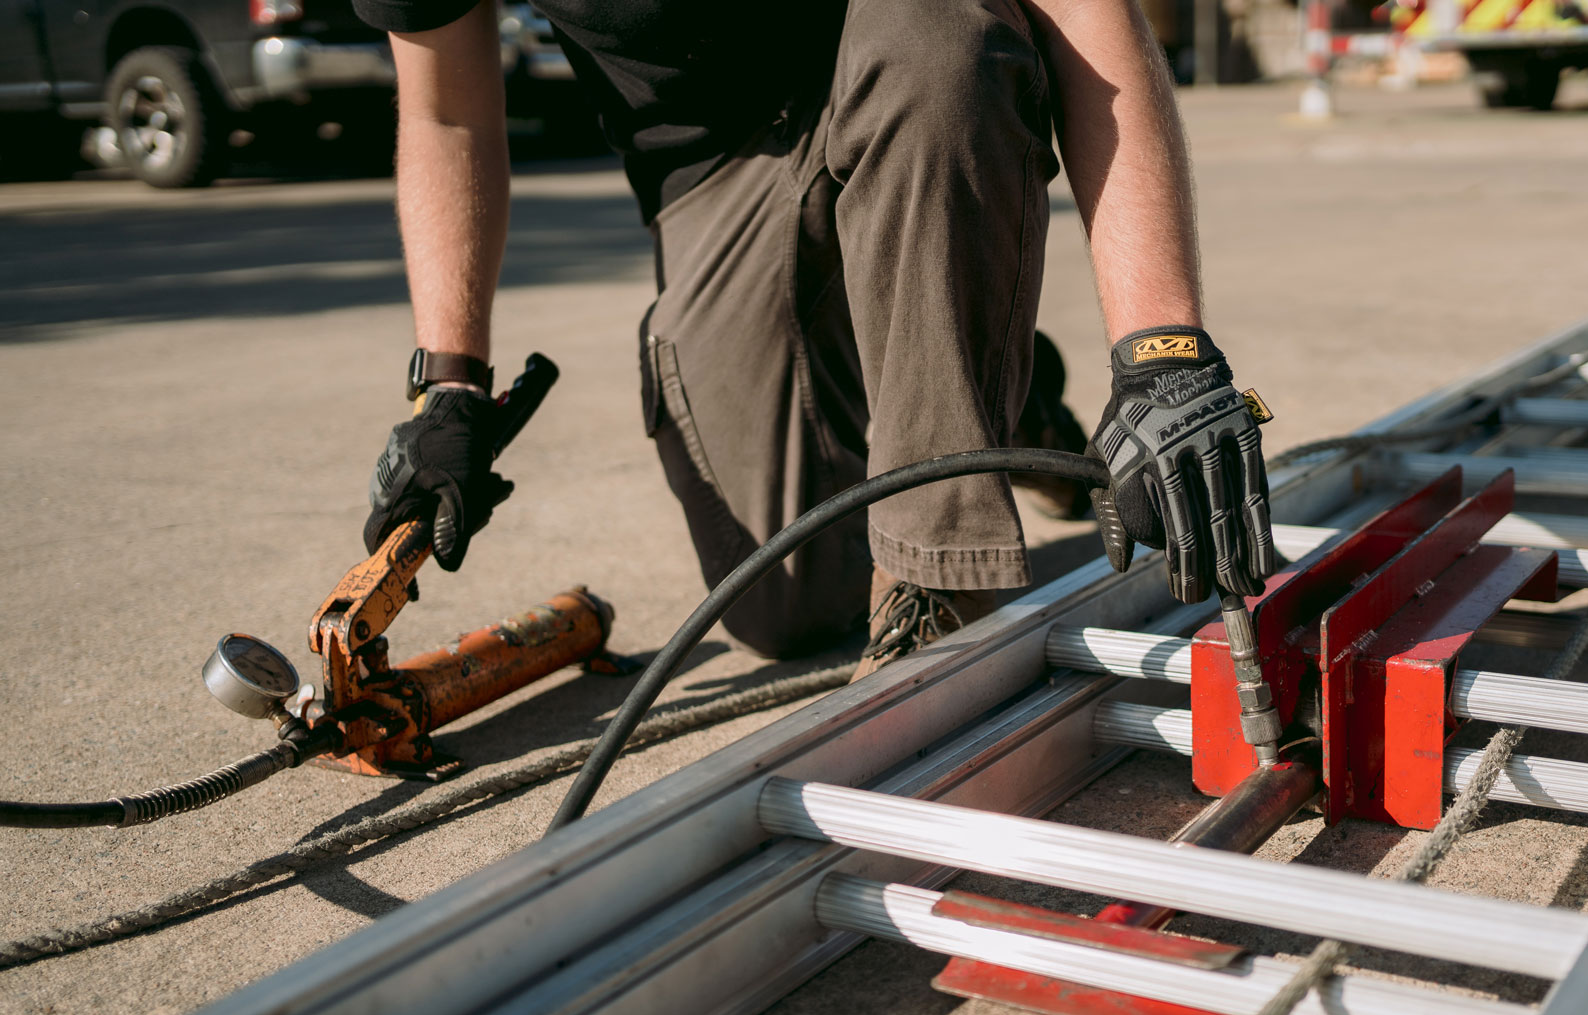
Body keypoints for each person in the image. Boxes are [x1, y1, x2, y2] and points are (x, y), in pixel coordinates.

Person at [356, 0, 1279, 678]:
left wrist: (1162, 349)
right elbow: (445, 109)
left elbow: (1083, 10)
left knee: (938, 48)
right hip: (711, 173)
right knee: (786, 605)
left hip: (904, 60)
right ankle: (1002, 382)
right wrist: (451, 385)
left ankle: (939, 582)